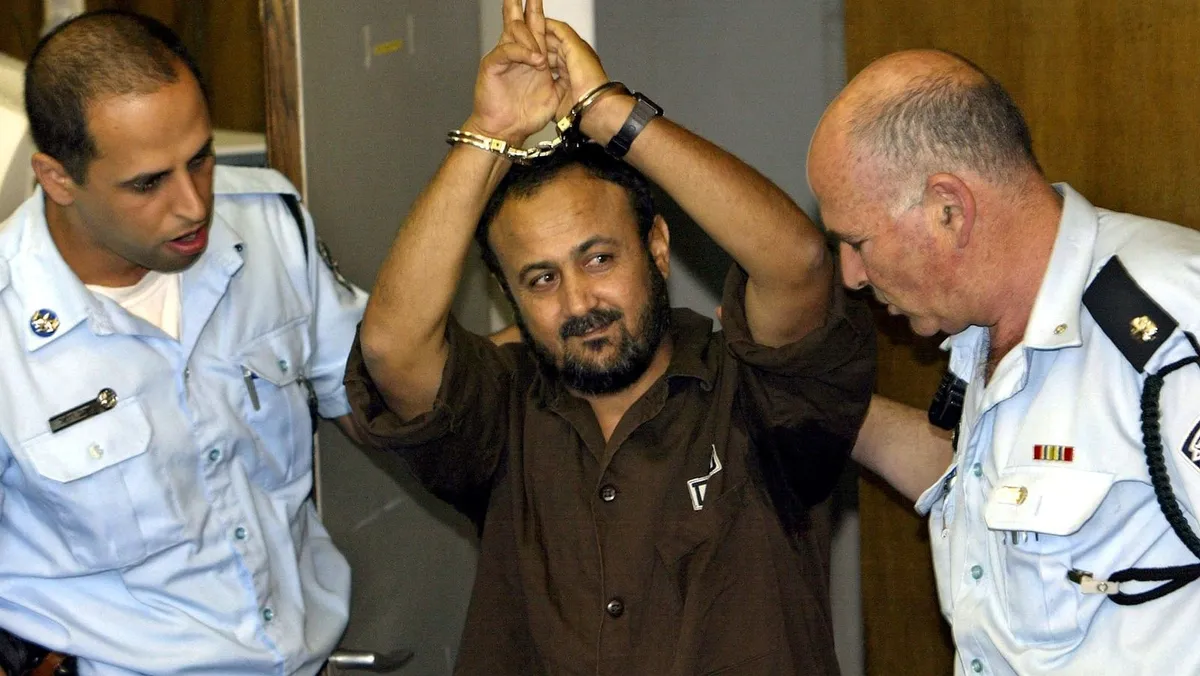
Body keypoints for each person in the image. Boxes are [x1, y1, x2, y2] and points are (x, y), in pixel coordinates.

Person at [343, 1, 875, 673]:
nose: (579, 303)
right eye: (541, 279)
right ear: (508, 294)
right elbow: (391, 349)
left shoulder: (755, 392)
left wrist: (608, 112)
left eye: (598, 259)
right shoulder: (503, 410)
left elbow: (797, 263)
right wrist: (489, 131)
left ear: (657, 247)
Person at [809, 49, 1200, 674]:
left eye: (857, 241)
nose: (852, 274)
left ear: (949, 209)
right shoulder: (981, 334)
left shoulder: (1169, 318)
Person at [0, 11, 367, 675]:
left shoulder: (266, 223)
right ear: (57, 178)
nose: (195, 205)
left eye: (200, 160)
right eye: (148, 183)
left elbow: (381, 395)